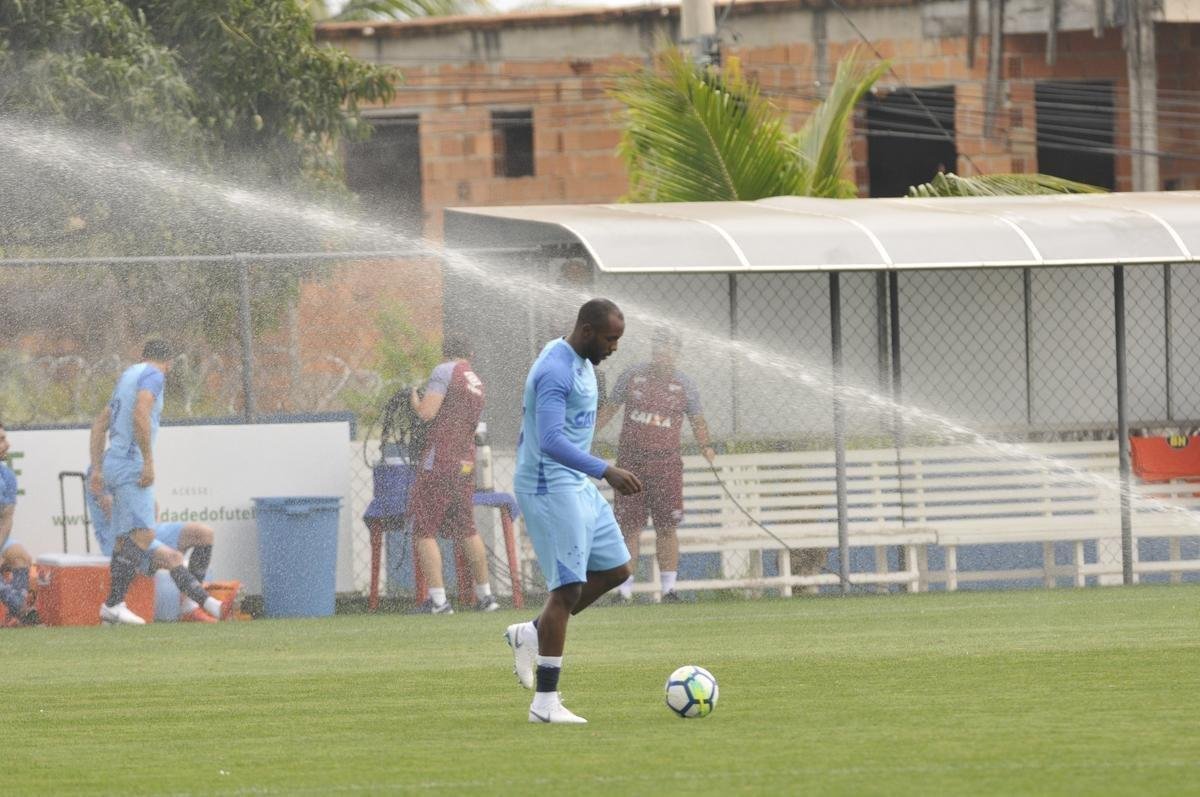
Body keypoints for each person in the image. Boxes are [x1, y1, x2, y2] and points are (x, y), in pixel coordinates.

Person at [504, 298, 643, 724]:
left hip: (576, 484)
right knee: (566, 591)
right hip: (549, 486)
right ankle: (545, 704)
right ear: (586, 331)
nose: (614, 348)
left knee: (618, 569)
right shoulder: (555, 370)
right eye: (610, 338)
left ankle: (531, 632)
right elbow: (549, 441)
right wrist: (606, 470)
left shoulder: (581, 360)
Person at [88, 340, 228, 625]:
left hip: (114, 462)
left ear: (142, 356)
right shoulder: (154, 375)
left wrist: (98, 469)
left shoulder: (128, 376)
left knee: (123, 540)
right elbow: (141, 413)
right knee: (144, 534)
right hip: (131, 464)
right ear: (170, 362)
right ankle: (114, 604)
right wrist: (148, 461)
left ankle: (114, 611)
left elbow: (99, 424)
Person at [597, 328, 716, 603]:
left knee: (667, 527)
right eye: (657, 347)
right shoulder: (632, 375)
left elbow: (697, 420)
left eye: (667, 348)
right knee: (629, 528)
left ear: (676, 353)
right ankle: (624, 590)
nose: (661, 353)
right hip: (630, 464)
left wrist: (706, 446)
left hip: (666, 466)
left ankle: (669, 589)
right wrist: (587, 435)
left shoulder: (684, 384)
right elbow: (610, 409)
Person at [407, 335, 499, 614]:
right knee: (466, 528)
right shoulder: (476, 380)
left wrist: (412, 397)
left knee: (424, 529)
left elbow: (426, 413)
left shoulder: (444, 370)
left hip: (440, 461)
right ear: (469, 352)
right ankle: (486, 597)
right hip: (465, 462)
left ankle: (438, 602)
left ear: (445, 353)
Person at [83, 471, 220, 623]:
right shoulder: (102, 467)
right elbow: (113, 512)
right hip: (120, 533)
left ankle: (190, 606)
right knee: (173, 557)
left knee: (204, 534)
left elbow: (151, 505)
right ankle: (211, 605)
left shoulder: (134, 459)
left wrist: (149, 524)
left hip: (144, 527)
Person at [0, 420, 36, 626]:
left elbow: (6, 519)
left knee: (20, 557)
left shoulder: (7, 476)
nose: (7, 444)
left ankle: (16, 615)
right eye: (1, 440)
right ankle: (22, 609)